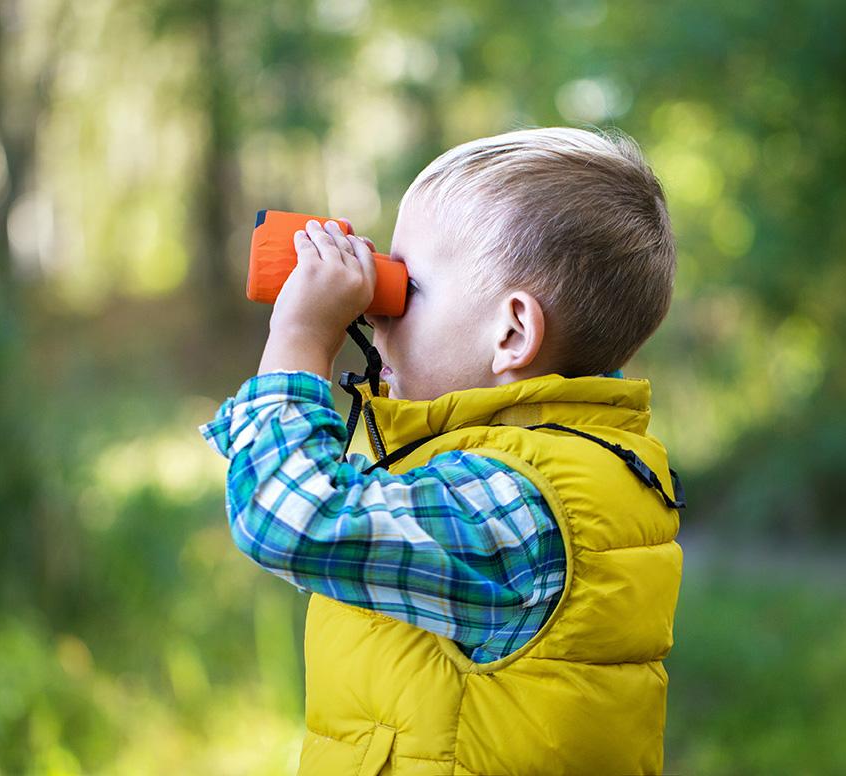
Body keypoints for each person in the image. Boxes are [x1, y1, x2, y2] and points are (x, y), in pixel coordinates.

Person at [199, 126, 684, 775]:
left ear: (512, 332)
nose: (377, 314)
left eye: (407, 289)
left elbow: (291, 518)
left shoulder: (519, 500)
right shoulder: (548, 463)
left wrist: (300, 336)